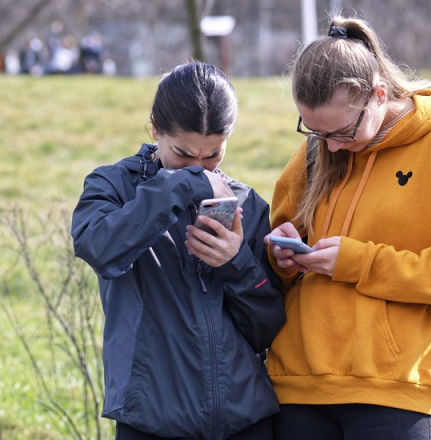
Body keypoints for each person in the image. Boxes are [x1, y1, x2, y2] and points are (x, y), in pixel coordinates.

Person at [265, 16, 431, 440]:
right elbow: (278, 255)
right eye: (314, 130)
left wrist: (358, 262)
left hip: (395, 392)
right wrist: (280, 255)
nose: (331, 145)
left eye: (342, 131)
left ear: (378, 94)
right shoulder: (319, 146)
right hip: (296, 387)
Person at [72, 62, 286, 440]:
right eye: (184, 155)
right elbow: (98, 248)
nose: (199, 169)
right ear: (156, 128)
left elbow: (266, 328)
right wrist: (180, 186)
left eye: (213, 156)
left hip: (247, 422)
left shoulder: (247, 204)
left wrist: (235, 264)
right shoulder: (114, 186)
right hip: (150, 422)